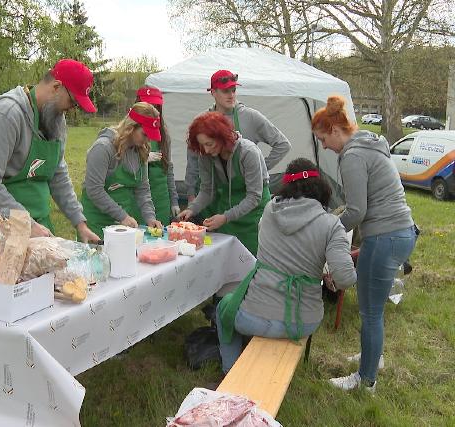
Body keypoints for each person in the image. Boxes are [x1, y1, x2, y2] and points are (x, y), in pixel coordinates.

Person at [312, 95, 417, 392]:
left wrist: (330, 230)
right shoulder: (369, 144)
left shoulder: (353, 156)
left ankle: (366, 379)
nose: (324, 147)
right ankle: (374, 357)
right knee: (373, 309)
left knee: (370, 312)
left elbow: (357, 211)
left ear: (334, 130)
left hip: (386, 236)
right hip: (398, 233)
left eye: (322, 139)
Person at [216, 158, 357, 373]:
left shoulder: (269, 210)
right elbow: (346, 278)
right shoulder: (331, 224)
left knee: (223, 307)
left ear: (286, 186)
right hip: (304, 321)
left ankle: (229, 372)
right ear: (322, 188)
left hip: (255, 317)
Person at [0, 59, 100, 255]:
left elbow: (58, 172)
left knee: (48, 284)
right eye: (72, 102)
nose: (71, 109)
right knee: (15, 286)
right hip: (4, 224)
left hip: (39, 223)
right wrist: (26, 224)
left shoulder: (56, 119)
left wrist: (79, 222)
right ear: (56, 87)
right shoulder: (7, 115)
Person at [184, 70, 291, 207]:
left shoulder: (250, 116)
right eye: (225, 91)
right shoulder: (200, 121)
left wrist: (259, 168)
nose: (231, 95)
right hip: (216, 196)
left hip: (251, 195)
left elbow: (283, 144)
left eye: (233, 90)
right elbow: (193, 160)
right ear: (213, 92)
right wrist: (191, 193)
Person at [177, 111, 270, 256]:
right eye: (202, 145)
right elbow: (207, 190)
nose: (206, 149)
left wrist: (225, 217)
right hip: (228, 212)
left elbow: (254, 197)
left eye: (209, 144)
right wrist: (192, 209)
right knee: (228, 258)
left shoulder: (248, 152)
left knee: (252, 259)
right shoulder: (205, 155)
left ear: (222, 137)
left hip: (254, 215)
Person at [80, 102, 164, 239]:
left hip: (121, 226)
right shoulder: (103, 148)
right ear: (131, 127)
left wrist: (150, 217)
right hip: (96, 223)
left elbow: (142, 188)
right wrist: (122, 216)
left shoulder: (141, 151)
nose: (147, 140)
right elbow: (94, 190)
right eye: (144, 134)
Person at [135, 86, 180, 224]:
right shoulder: (130, 132)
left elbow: (169, 168)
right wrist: (142, 159)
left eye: (155, 106)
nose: (151, 110)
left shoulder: (164, 134)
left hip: (161, 198)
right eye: (147, 105)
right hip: (138, 199)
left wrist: (174, 201)